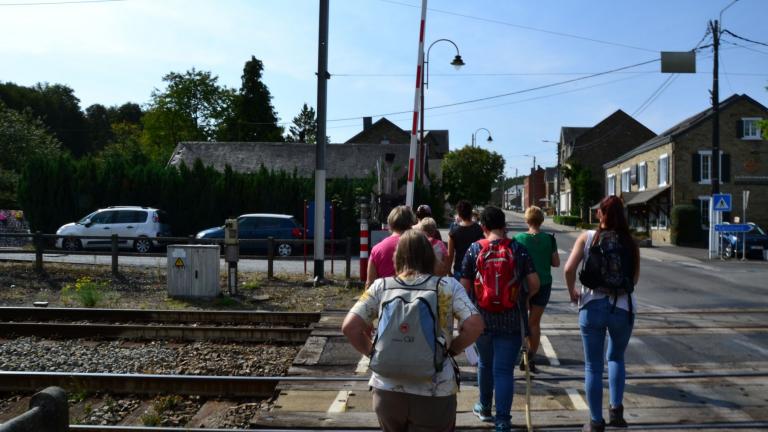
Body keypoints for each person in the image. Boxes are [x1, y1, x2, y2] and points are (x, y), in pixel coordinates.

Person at [342, 230, 485, 432]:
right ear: (429, 255)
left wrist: (374, 354)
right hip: (435, 391)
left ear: (397, 256)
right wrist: (450, 351)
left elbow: (350, 327)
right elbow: (475, 325)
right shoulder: (447, 286)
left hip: (387, 392)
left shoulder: (381, 286)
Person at [460, 206, 540, 432]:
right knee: (504, 371)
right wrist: (523, 299)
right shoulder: (519, 249)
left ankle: (484, 408)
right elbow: (534, 283)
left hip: (482, 319)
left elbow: (464, 287)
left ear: (483, 227)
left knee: (485, 363)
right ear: (504, 225)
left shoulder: (474, 249)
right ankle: (503, 420)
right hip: (511, 318)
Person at [563, 195, 640, 432]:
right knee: (616, 358)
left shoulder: (587, 238)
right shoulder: (630, 242)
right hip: (622, 307)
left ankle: (596, 422)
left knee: (593, 367)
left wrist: (572, 292)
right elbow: (634, 280)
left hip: (592, 304)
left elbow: (568, 269)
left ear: (600, 214)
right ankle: (616, 412)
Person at [514, 206, 560, 374]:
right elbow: (556, 263)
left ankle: (524, 352)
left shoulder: (518, 239)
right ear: (541, 221)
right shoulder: (549, 239)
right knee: (534, 322)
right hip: (544, 284)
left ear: (526, 220)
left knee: (523, 321)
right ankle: (531, 356)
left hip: (524, 285)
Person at [366, 205, 416, 288]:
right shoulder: (420, 245)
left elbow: (370, 283)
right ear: (411, 223)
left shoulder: (377, 249)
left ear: (390, 223)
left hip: (386, 297)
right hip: (415, 297)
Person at [447, 200, 484, 280]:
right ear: (471, 212)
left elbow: (450, 254)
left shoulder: (453, 231)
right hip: (475, 269)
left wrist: (448, 271)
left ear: (459, 214)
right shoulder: (478, 229)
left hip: (459, 269)